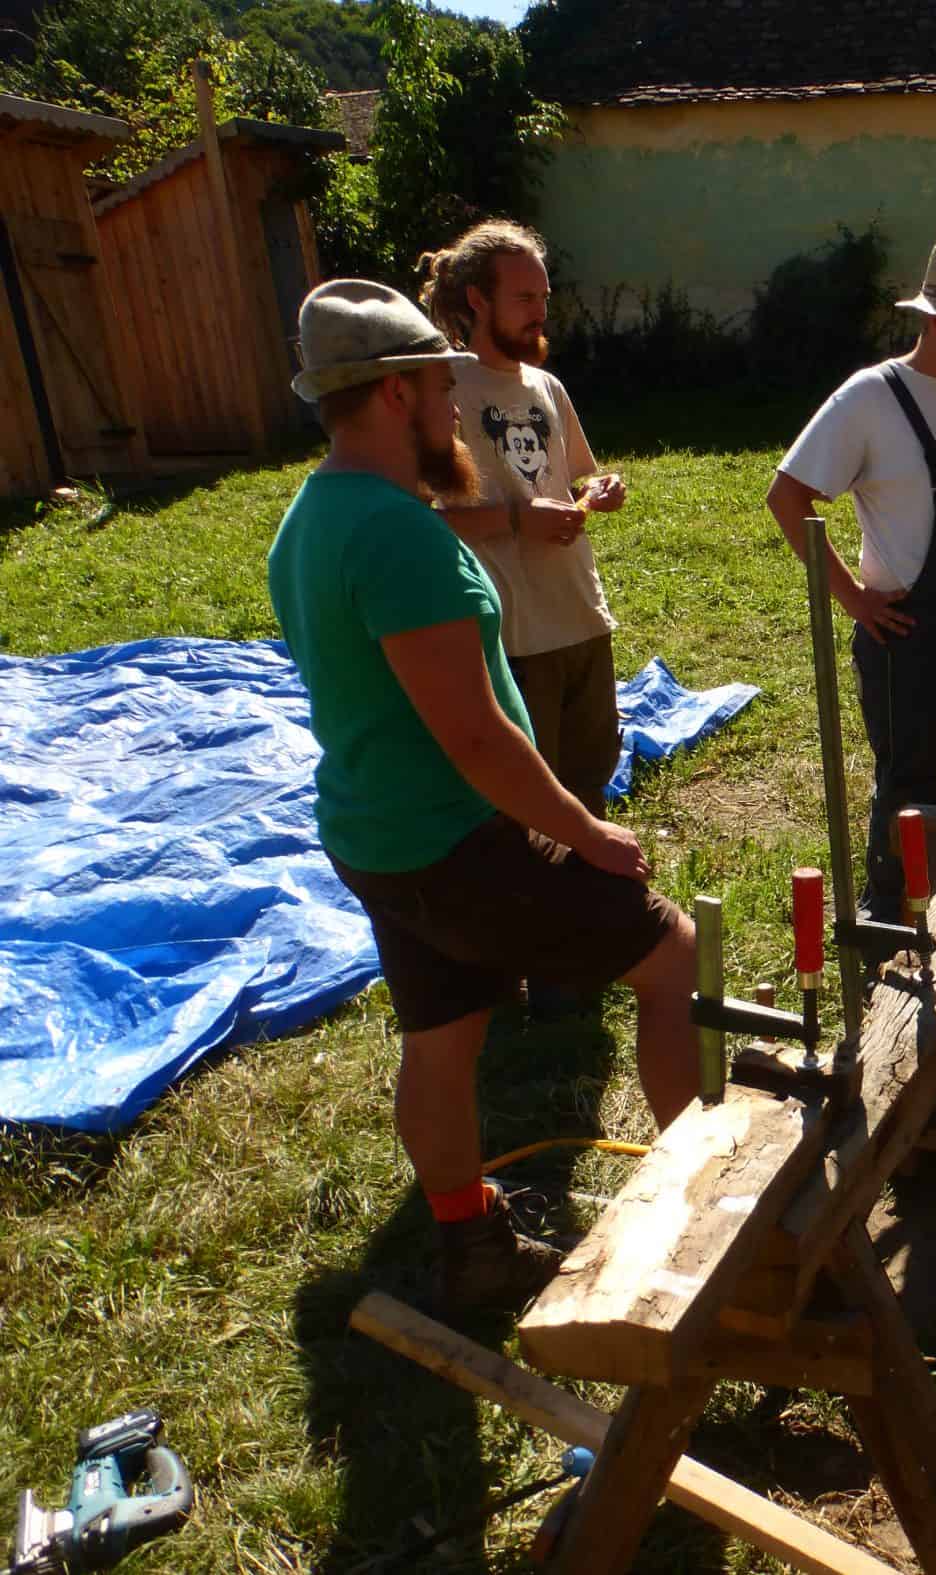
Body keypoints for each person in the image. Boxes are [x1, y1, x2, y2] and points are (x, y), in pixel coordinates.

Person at [267, 280, 700, 1315]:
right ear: (393, 395)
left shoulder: (309, 517)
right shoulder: (399, 535)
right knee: (675, 956)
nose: (456, 409)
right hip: (455, 836)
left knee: (444, 1035)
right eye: (439, 388)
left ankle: (469, 1244)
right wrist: (586, 832)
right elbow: (474, 736)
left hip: (376, 834)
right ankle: (709, 1208)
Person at [766, 237, 936, 922]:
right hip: (914, 637)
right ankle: (893, 915)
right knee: (909, 785)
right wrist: (853, 598)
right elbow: (788, 496)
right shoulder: (871, 398)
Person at [419, 222, 626, 1014]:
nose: (541, 309)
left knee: (588, 788)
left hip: (580, 617)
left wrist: (599, 491)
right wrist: (515, 520)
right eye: (524, 296)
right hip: (510, 636)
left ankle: (583, 949)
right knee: (523, 812)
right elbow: (423, 515)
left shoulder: (547, 388)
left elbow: (577, 476)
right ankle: (528, 978)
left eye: (544, 294)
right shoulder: (443, 390)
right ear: (477, 299)